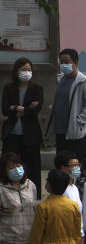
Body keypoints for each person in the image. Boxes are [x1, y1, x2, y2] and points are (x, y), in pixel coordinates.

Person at [2, 58, 43, 197]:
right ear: (16, 71)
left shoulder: (37, 89)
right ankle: (6, 193)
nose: (27, 72)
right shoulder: (9, 88)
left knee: (32, 166)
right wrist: (25, 109)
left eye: (29, 70)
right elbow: (5, 110)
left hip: (30, 134)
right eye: (23, 69)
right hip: (12, 134)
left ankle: (33, 195)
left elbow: (36, 110)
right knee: (9, 164)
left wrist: (18, 109)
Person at [51, 48, 86, 158]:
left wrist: (79, 121)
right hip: (60, 130)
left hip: (76, 132)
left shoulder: (84, 81)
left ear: (75, 62)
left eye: (66, 62)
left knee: (78, 163)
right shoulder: (60, 80)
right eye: (61, 62)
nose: (63, 65)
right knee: (63, 162)